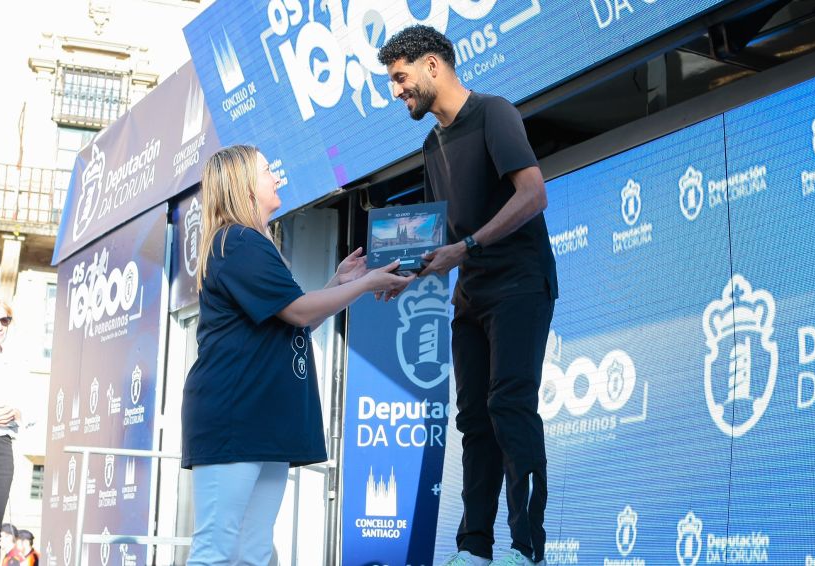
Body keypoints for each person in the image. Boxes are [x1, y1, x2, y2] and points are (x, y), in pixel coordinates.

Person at [181, 145, 414, 566]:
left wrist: (336, 282)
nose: (277, 176)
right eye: (268, 170)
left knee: (252, 550)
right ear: (243, 186)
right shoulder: (238, 240)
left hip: (260, 420)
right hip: (236, 418)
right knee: (217, 548)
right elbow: (298, 311)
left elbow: (294, 324)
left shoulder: (248, 243)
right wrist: (362, 285)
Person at [378, 25, 557, 566]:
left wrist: (469, 245)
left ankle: (526, 548)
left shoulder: (494, 112)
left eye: (401, 77)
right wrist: (400, 272)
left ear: (433, 66)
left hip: (521, 284)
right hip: (470, 296)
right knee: (473, 420)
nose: (396, 91)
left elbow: (534, 194)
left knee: (509, 405)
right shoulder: (429, 145)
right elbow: (441, 243)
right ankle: (473, 548)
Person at [0, 300, 22, 566]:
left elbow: (30, 408)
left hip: (2, 448)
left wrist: (18, 412)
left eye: (4, 320)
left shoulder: (16, 361)